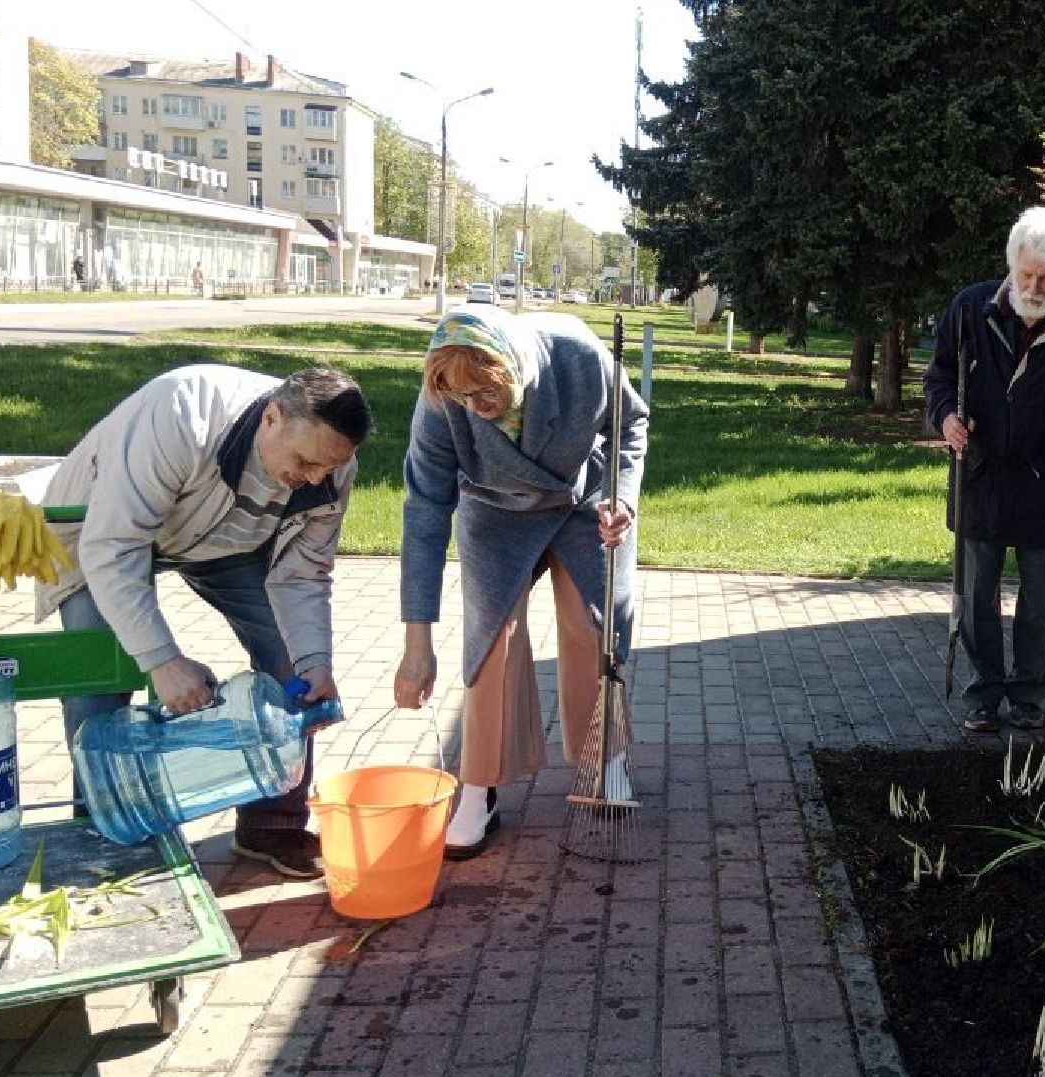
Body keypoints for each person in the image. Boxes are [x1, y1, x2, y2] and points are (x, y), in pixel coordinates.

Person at [37, 366, 374, 878]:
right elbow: (112, 547)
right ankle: (100, 837)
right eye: (305, 461)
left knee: (292, 666)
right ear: (272, 416)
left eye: (327, 468)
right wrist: (163, 661)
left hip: (224, 543)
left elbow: (303, 575)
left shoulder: (330, 470)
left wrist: (316, 661)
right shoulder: (180, 413)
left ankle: (272, 825)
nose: (314, 478)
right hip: (99, 528)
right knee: (100, 678)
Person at [393, 305, 648, 860]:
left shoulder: (576, 355)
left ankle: (603, 761)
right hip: (494, 510)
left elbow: (630, 423)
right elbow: (425, 512)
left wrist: (622, 497)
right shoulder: (443, 403)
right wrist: (417, 645)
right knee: (492, 641)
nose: (476, 410)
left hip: (587, 504)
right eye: (463, 399)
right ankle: (479, 789)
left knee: (597, 625)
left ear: (517, 367)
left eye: (487, 394)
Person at [923, 206, 1045, 734]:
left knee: (1039, 603)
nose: (1034, 288)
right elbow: (939, 377)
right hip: (981, 478)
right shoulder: (970, 310)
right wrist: (946, 418)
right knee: (976, 599)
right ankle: (984, 694)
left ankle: (1030, 695)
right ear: (1012, 264)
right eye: (1026, 275)